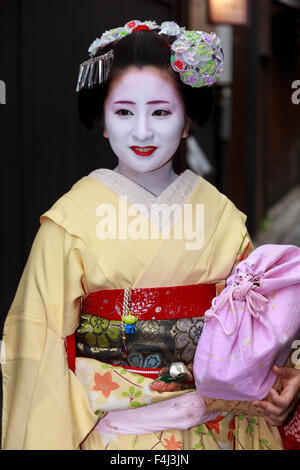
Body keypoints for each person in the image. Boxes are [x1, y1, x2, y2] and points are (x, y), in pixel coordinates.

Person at [1, 20, 300, 451]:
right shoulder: (69, 222)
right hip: (112, 435)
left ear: (185, 123)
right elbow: (38, 343)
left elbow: (260, 328)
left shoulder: (221, 216)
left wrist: (286, 376)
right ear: (103, 121)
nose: (142, 131)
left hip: (217, 432)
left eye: (161, 111)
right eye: (123, 112)